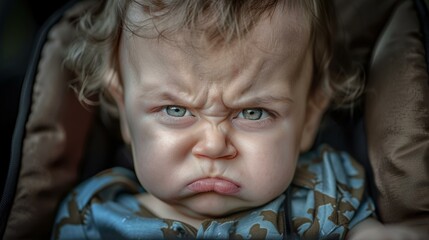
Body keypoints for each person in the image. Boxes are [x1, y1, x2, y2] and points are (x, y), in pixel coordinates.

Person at [50, 0, 424, 239]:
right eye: (176, 110)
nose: (213, 146)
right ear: (125, 114)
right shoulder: (91, 219)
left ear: (309, 118)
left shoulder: (325, 196)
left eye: (253, 112)